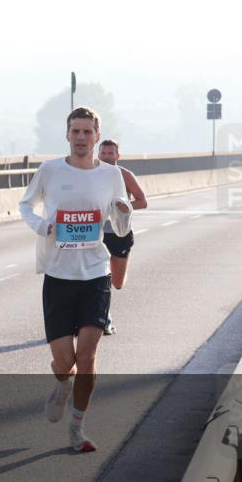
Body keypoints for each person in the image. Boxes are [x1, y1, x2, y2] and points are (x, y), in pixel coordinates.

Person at [19, 107, 132, 453]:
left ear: (98, 136)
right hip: (58, 274)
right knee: (64, 362)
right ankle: (62, 385)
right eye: (75, 131)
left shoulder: (112, 174)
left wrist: (123, 214)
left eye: (87, 132)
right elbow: (26, 205)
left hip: (95, 273)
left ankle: (77, 427)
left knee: (87, 357)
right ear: (67, 135)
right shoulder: (50, 170)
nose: (81, 138)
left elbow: (120, 221)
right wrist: (43, 226)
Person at [97, 139, 148, 335]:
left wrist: (125, 207)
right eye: (104, 154)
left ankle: (116, 278)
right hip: (96, 233)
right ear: (98, 155)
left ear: (118, 156)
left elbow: (143, 201)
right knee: (98, 277)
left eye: (111, 154)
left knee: (116, 282)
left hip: (120, 233)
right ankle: (103, 317)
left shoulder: (124, 175)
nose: (108, 157)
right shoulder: (90, 174)